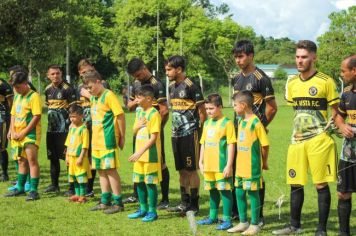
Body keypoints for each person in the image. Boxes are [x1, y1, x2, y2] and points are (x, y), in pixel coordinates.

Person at [272, 40, 339, 236]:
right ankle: (294, 225)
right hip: (297, 141)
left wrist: (335, 127)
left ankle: (321, 229)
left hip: (319, 141)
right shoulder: (291, 83)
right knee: (295, 183)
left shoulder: (326, 81)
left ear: (314, 57)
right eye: (297, 57)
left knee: (320, 184)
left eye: (304, 57)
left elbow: (336, 111)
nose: (299, 61)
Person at [231, 39, 277, 224]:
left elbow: (272, 107)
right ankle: (237, 213)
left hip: (253, 136)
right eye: (235, 57)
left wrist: (261, 126)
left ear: (250, 56)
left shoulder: (261, 78)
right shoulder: (236, 78)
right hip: (237, 132)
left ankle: (259, 216)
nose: (238, 60)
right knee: (237, 173)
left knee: (256, 174)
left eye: (241, 56)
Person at [124, 58, 170, 210]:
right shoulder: (136, 84)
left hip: (153, 132)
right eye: (134, 77)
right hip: (139, 131)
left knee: (160, 162)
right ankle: (137, 194)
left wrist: (156, 129)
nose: (137, 78)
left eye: (138, 75)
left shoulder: (157, 84)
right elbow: (129, 105)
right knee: (138, 160)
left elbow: (164, 110)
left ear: (144, 68)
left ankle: (164, 198)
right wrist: (135, 102)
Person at [165, 55, 206, 214]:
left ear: (179, 69)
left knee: (191, 170)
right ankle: (184, 202)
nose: (167, 73)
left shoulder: (191, 86)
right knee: (181, 170)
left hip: (191, 135)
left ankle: (194, 205)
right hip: (176, 135)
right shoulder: (172, 87)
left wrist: (199, 131)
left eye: (169, 69)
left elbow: (202, 112)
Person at [83, 70, 126, 214]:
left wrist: (122, 136)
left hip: (107, 141)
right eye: (87, 88)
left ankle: (118, 203)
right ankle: (105, 201)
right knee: (101, 171)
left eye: (90, 87)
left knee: (110, 171)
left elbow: (120, 116)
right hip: (96, 142)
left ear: (98, 82)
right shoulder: (94, 98)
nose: (89, 90)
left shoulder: (109, 95)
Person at [227, 91, 269, 235]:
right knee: (239, 192)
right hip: (240, 167)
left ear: (243, 105)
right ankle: (243, 222)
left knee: (252, 193)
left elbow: (265, 145)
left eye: (234, 105)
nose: (233, 108)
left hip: (252, 167)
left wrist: (264, 162)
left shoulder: (256, 123)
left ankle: (255, 224)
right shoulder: (240, 120)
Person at [197, 93, 235, 230]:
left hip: (221, 166)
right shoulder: (206, 123)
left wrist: (229, 165)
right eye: (207, 109)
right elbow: (203, 143)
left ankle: (227, 219)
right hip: (208, 165)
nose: (208, 112)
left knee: (224, 191)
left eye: (211, 108)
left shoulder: (227, 123)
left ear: (220, 107)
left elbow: (231, 144)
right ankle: (212, 217)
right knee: (212, 190)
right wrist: (200, 161)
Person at [4, 71, 42, 201]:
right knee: (20, 160)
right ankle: (20, 187)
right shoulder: (18, 96)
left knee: (31, 160)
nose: (16, 90)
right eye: (14, 87)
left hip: (29, 134)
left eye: (18, 87)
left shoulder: (34, 96)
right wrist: (11, 130)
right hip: (17, 134)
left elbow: (37, 116)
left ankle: (34, 190)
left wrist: (23, 132)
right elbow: (13, 114)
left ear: (26, 83)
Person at [127, 84, 162, 222]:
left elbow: (153, 138)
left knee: (150, 183)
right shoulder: (139, 111)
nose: (136, 100)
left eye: (139, 97)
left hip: (149, 155)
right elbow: (134, 130)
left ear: (148, 99)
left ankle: (152, 212)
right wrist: (136, 126)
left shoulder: (154, 114)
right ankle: (143, 209)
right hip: (139, 155)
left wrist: (139, 152)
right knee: (139, 181)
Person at [76, 58, 110, 197]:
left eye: (90, 70)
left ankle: (102, 191)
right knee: (84, 156)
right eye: (84, 72)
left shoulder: (102, 83)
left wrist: (88, 95)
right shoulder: (78, 86)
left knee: (98, 160)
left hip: (99, 126)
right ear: (79, 73)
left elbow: (103, 101)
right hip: (83, 126)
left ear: (94, 69)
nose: (87, 73)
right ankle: (86, 188)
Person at [44, 65, 77, 194]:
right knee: (53, 157)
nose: (55, 76)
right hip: (51, 130)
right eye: (52, 74)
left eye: (57, 73)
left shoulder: (68, 89)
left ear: (61, 73)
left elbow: (74, 110)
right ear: (48, 76)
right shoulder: (47, 90)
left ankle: (72, 187)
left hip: (65, 130)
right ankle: (54, 185)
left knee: (68, 158)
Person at [334, 55, 356, 236]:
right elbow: (339, 116)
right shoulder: (346, 94)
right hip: (348, 154)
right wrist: (342, 126)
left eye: (343, 71)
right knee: (342, 193)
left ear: (354, 71)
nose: (341, 74)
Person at [65, 104, 92, 203]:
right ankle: (76, 194)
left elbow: (85, 146)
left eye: (74, 116)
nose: (72, 119)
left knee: (81, 177)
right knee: (74, 177)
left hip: (80, 157)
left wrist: (81, 157)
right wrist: (67, 156)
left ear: (81, 116)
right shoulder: (71, 128)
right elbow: (68, 143)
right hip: (71, 157)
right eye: (71, 116)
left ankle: (82, 196)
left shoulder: (84, 129)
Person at [0, 76, 14, 182]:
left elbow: (11, 103)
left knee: (1, 147)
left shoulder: (3, 85)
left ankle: (4, 173)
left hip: (2, 118)